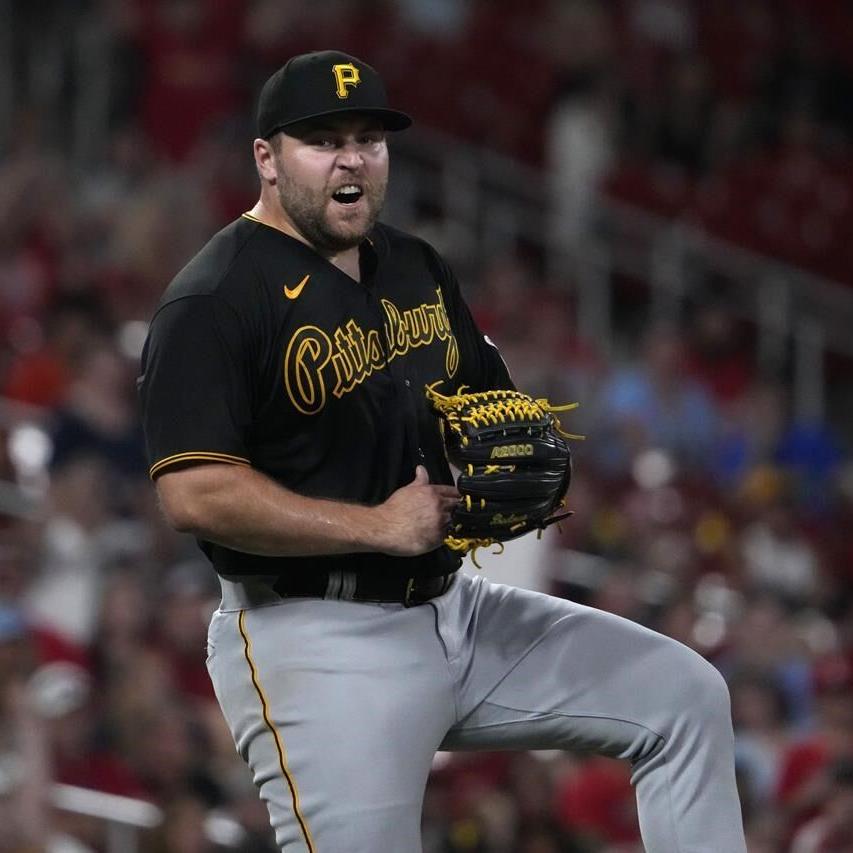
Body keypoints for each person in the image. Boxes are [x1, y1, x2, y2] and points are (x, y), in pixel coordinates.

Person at [138, 50, 747, 852]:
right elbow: (194, 493)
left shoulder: (414, 266)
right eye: (323, 140)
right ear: (267, 158)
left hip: (455, 609)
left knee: (682, 696)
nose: (352, 158)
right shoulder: (213, 299)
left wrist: (521, 462)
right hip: (314, 639)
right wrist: (377, 526)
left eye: (369, 139)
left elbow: (488, 403)